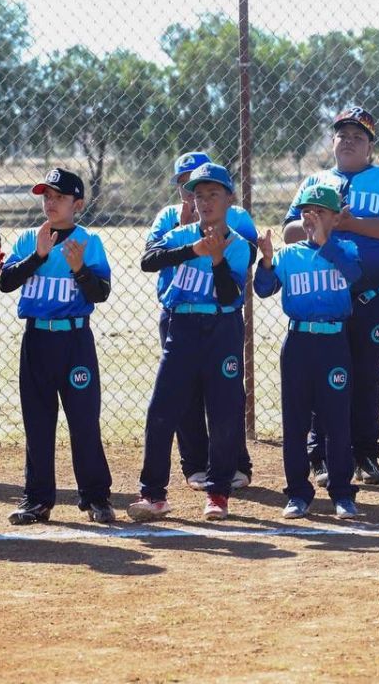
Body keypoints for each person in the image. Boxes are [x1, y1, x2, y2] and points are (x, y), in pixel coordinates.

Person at [284, 107, 379, 487]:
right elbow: (289, 231)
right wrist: (321, 225)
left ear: (370, 146)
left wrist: (351, 223)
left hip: (373, 294)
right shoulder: (316, 181)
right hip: (325, 295)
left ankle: (365, 454)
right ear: (333, 140)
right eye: (343, 135)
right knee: (322, 374)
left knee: (367, 374)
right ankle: (320, 455)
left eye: (359, 137)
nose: (349, 141)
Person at [130, 163, 255, 521]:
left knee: (224, 411)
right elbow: (148, 261)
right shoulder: (180, 235)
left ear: (229, 199)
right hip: (182, 326)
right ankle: (153, 494)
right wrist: (193, 250)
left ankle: (218, 493)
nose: (206, 202)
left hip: (221, 328)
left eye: (214, 194)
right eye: (199, 195)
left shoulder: (239, 245)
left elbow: (230, 295)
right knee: (161, 409)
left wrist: (216, 259)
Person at [0, 168, 113, 525]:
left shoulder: (88, 242)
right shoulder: (29, 239)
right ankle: (37, 500)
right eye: (46, 196)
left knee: (83, 421)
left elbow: (100, 293)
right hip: (37, 339)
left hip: (75, 341)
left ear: (77, 204)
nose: (50, 202)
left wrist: (79, 268)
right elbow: (5, 283)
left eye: (59, 197)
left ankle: (96, 497)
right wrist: (37, 256)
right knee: (37, 421)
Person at [254, 184, 363, 519]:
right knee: (295, 421)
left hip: (333, 343)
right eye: (306, 212)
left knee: (337, 421)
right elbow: (263, 289)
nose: (311, 218)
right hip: (299, 343)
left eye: (319, 212)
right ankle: (298, 493)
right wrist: (267, 261)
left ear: (335, 217)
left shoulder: (346, 249)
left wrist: (325, 243)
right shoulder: (289, 255)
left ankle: (342, 493)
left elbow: (354, 274)